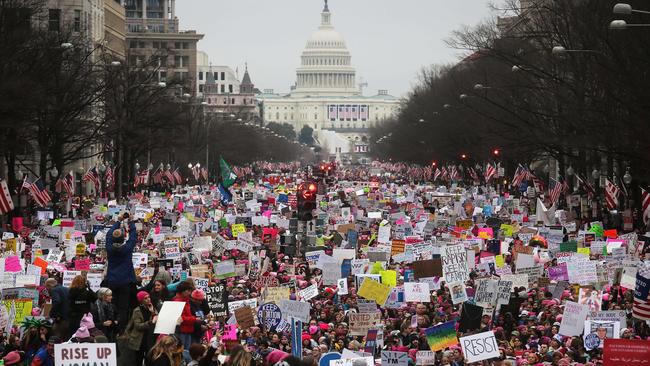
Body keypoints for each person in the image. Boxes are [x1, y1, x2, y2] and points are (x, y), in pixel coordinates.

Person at [105, 212, 138, 334]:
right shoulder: (127, 249)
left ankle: (112, 327)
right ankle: (121, 329)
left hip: (112, 281)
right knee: (123, 308)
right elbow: (134, 237)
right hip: (125, 282)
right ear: (123, 238)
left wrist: (118, 221)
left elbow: (108, 235)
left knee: (112, 305)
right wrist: (131, 222)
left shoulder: (109, 248)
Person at [124, 291, 159, 366]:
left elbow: (156, 319)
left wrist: (152, 312)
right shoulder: (137, 311)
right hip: (140, 339)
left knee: (149, 359)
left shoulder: (152, 308)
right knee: (138, 360)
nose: (148, 299)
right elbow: (138, 326)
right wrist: (149, 322)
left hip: (150, 337)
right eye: (145, 298)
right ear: (141, 300)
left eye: (149, 297)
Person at [67, 275, 96, 339]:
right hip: (85, 318)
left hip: (73, 317)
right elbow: (95, 298)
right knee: (85, 336)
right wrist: (89, 288)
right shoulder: (87, 293)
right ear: (84, 283)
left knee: (73, 336)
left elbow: (68, 304)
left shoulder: (70, 292)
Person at [171, 281, 198, 350]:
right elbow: (181, 318)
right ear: (182, 291)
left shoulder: (186, 300)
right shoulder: (177, 302)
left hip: (187, 330)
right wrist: (194, 319)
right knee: (182, 351)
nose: (189, 293)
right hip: (181, 331)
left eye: (190, 291)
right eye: (188, 291)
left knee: (186, 352)